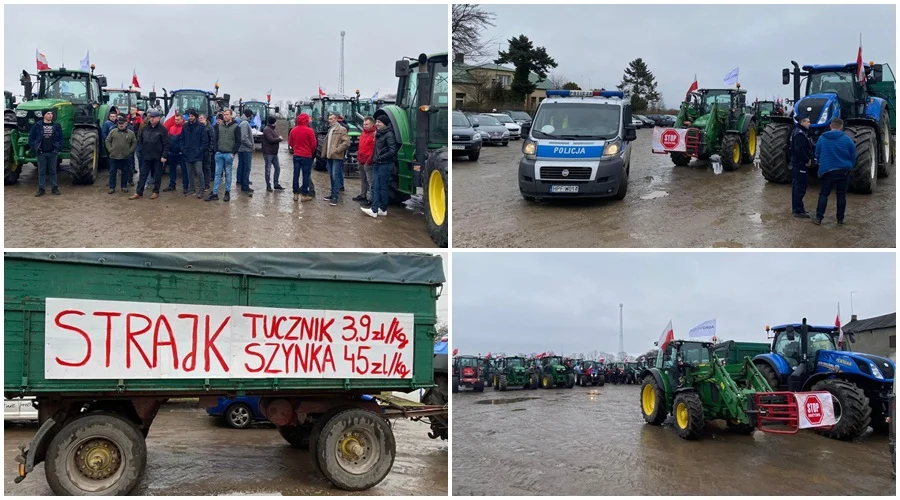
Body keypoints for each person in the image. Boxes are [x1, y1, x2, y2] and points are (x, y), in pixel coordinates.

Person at [813, 118, 856, 225]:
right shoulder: (847, 139)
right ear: (841, 127)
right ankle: (840, 220)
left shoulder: (822, 138)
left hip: (827, 171)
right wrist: (850, 166)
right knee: (841, 195)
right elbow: (853, 156)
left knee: (823, 194)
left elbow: (817, 154)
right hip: (843, 171)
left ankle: (819, 218)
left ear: (830, 126)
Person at [361, 115, 397, 218]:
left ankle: (374, 209)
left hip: (383, 164)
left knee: (376, 186)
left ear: (385, 124)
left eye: (379, 122)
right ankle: (382, 209)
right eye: (376, 122)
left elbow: (392, 151)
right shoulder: (380, 134)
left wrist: (379, 158)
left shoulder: (388, 134)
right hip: (379, 163)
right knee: (382, 187)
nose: (377, 124)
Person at [131, 110, 169, 200]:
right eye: (150, 117)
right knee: (143, 174)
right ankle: (138, 192)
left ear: (158, 118)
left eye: (153, 117)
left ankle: (156, 191)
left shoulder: (162, 130)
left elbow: (166, 144)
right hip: (146, 156)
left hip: (158, 157)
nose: (151, 119)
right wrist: (141, 150)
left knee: (157, 174)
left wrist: (164, 156)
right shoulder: (145, 128)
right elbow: (140, 139)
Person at [206, 108, 241, 202]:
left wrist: (233, 153)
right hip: (220, 153)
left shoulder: (236, 127)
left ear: (231, 116)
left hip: (229, 154)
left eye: (227, 114)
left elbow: (238, 142)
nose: (225, 116)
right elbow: (215, 139)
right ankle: (215, 193)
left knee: (228, 174)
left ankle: (227, 192)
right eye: (224, 115)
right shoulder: (219, 126)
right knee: (217, 174)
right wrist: (216, 150)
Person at [27, 108, 63, 196]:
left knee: (53, 171)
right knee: (41, 171)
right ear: (44, 115)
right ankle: (41, 189)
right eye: (48, 113)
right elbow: (31, 138)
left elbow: (60, 139)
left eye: (51, 114)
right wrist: (36, 148)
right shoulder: (37, 125)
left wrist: (57, 149)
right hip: (41, 152)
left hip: (52, 152)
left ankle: (54, 188)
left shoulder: (56, 126)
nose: (50, 115)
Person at [789, 114, 815, 218]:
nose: (809, 123)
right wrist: (807, 160)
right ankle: (798, 211)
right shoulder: (800, 134)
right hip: (800, 164)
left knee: (797, 186)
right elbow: (799, 149)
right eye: (807, 121)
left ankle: (797, 208)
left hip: (798, 163)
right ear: (802, 122)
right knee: (800, 187)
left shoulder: (800, 132)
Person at [322, 112, 350, 206]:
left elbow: (346, 142)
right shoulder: (330, 129)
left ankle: (335, 197)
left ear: (336, 119)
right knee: (331, 176)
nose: (329, 120)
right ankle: (332, 193)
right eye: (329, 119)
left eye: (331, 119)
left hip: (336, 157)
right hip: (329, 156)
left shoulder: (341, 129)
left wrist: (337, 150)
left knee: (335, 176)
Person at [288, 113, 316, 202]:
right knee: (306, 175)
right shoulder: (310, 131)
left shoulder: (293, 130)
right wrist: (309, 151)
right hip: (306, 156)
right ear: (307, 120)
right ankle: (304, 195)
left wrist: (296, 149)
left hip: (296, 155)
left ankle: (295, 194)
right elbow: (314, 144)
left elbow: (290, 143)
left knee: (296, 174)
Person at [105, 116, 137, 194]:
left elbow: (134, 142)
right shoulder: (113, 131)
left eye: (122, 124)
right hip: (114, 156)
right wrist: (110, 149)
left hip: (125, 157)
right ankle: (112, 188)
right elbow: (107, 140)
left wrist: (130, 151)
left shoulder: (131, 133)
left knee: (125, 172)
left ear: (126, 123)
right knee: (112, 172)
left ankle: (124, 186)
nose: (121, 125)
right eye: (119, 123)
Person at [182, 109, 209, 198]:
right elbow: (182, 139)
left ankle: (201, 190)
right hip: (187, 153)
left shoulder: (201, 127)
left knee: (199, 172)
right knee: (189, 172)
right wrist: (183, 149)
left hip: (197, 154)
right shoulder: (185, 126)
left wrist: (199, 151)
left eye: (192, 116)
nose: (190, 117)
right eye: (189, 116)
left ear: (195, 117)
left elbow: (205, 141)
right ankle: (192, 189)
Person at [163, 114, 189, 193]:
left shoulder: (185, 129)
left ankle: (185, 186)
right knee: (172, 169)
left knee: (184, 170)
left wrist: (183, 150)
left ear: (182, 120)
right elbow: (168, 140)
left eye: (178, 119)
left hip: (181, 153)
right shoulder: (171, 128)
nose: (176, 121)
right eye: (175, 119)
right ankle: (172, 185)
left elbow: (186, 141)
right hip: (172, 153)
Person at [354, 116, 376, 206]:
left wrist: (369, 160)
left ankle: (371, 199)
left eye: (367, 124)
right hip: (361, 160)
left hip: (368, 161)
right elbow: (361, 147)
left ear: (372, 124)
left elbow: (374, 149)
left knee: (370, 181)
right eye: (364, 124)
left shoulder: (374, 134)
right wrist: (358, 157)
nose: (364, 126)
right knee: (363, 179)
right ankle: (363, 195)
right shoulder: (363, 133)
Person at [262, 117, 284, 191]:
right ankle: (268, 185)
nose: (276, 123)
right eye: (275, 122)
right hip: (268, 153)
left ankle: (276, 184)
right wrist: (280, 138)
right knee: (268, 170)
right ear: (273, 122)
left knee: (277, 168)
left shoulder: (272, 129)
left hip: (274, 153)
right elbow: (271, 140)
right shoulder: (267, 129)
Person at [236, 108, 255, 196]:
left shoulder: (242, 122)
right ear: (250, 115)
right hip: (245, 150)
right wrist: (251, 145)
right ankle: (245, 187)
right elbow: (244, 138)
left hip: (243, 149)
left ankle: (242, 181)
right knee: (246, 168)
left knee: (243, 167)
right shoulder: (245, 123)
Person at [126, 105, 143, 186]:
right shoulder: (127, 118)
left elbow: (141, 129)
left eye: (133, 109)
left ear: (136, 110)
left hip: (137, 139)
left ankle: (140, 172)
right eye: (130, 109)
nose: (131, 110)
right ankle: (132, 170)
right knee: (130, 155)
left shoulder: (139, 119)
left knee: (138, 155)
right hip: (129, 139)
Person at [200, 114, 215, 191]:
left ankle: (207, 184)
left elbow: (212, 139)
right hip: (200, 152)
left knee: (207, 168)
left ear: (205, 119)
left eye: (202, 118)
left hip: (207, 152)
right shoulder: (199, 127)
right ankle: (202, 184)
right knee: (201, 168)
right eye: (199, 118)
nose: (200, 120)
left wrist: (210, 149)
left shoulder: (209, 127)